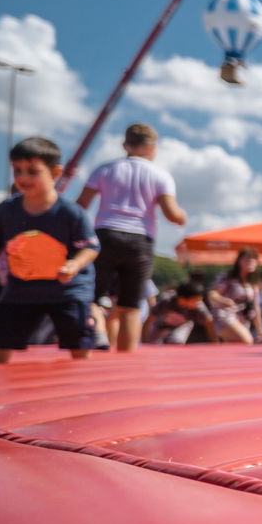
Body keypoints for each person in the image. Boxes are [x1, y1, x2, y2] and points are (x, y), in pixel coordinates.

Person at [0, 137, 100, 364]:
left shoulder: (70, 212)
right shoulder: (5, 212)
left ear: (55, 173)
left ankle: (81, 375)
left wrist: (73, 265)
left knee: (77, 339)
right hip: (21, 288)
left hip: (66, 290)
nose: (23, 178)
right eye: (17, 171)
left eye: (32, 171)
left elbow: (90, 248)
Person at [75, 122, 186, 352]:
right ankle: (125, 359)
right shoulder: (159, 175)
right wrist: (182, 217)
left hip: (106, 235)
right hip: (140, 241)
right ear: (152, 147)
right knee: (130, 307)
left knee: (91, 297)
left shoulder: (105, 170)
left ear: (125, 145)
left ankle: (98, 334)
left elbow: (80, 207)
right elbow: (172, 215)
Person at [209, 247, 262, 344]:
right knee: (247, 341)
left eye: (254, 259)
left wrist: (260, 328)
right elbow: (212, 294)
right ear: (239, 261)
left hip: (243, 319)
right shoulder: (229, 277)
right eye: (247, 259)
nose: (251, 262)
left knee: (235, 346)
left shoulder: (253, 283)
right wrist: (224, 301)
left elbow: (256, 307)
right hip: (226, 316)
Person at [144, 279, 218, 344]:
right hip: (161, 325)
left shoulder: (198, 306)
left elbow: (209, 322)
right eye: (196, 300)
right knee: (153, 344)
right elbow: (149, 320)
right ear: (182, 299)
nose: (198, 302)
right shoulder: (166, 301)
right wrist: (144, 340)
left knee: (175, 341)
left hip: (183, 325)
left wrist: (215, 342)